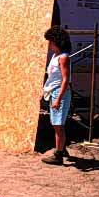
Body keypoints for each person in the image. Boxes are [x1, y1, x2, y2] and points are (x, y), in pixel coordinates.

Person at [42, 26, 72, 165]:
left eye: (50, 42)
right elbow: (51, 77)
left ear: (56, 41)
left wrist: (58, 99)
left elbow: (65, 80)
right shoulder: (55, 56)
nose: (49, 45)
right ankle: (62, 148)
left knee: (58, 124)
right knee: (56, 124)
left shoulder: (64, 58)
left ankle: (58, 155)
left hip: (60, 92)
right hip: (53, 91)